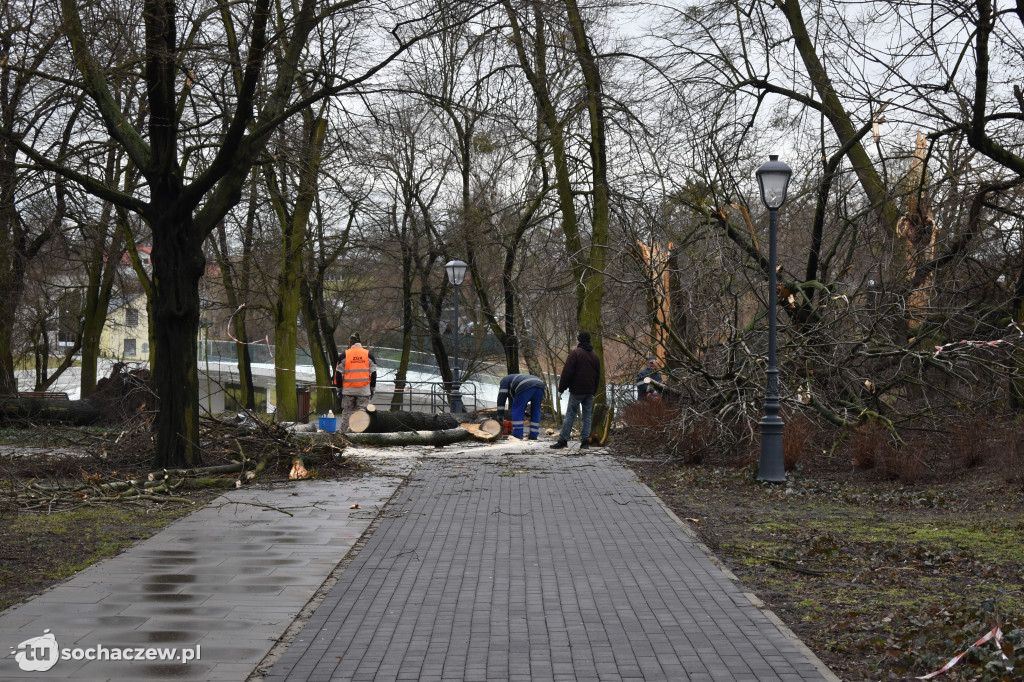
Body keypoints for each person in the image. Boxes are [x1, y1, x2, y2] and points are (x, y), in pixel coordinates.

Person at [550, 331, 601, 449]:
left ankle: (563, 440)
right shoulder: (595, 356)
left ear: (579, 340)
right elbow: (598, 376)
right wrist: (594, 390)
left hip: (577, 391)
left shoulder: (575, 353)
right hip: (589, 391)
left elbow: (567, 373)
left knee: (570, 415)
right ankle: (585, 442)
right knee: (587, 417)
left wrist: (561, 389)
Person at [334, 333, 377, 432]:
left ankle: (344, 435)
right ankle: (359, 437)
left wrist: (339, 389)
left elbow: (338, 374)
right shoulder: (368, 355)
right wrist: (372, 389)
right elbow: (373, 374)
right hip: (363, 391)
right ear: (360, 343)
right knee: (362, 415)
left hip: (348, 391)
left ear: (350, 343)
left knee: (347, 414)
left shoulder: (344, 355)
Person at [496, 373, 545, 440]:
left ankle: (517, 434)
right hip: (540, 384)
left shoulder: (504, 381)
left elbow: (501, 399)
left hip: (525, 384)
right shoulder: (514, 379)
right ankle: (533, 435)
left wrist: (500, 416)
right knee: (536, 410)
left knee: (517, 409)